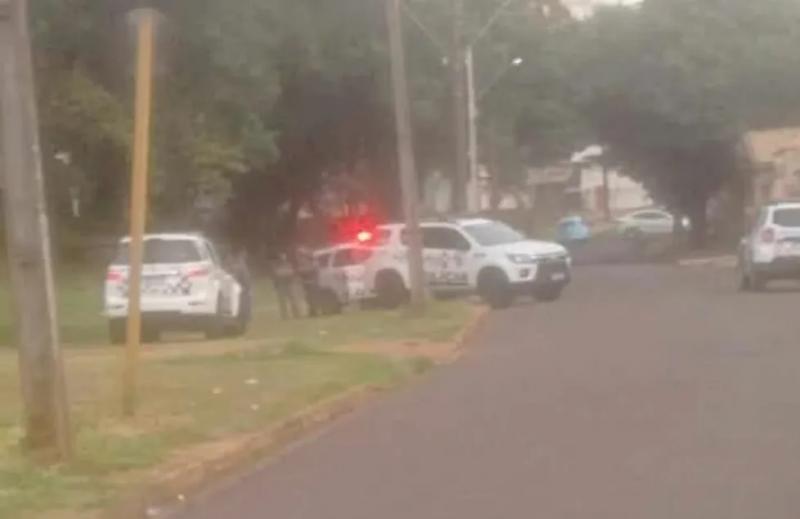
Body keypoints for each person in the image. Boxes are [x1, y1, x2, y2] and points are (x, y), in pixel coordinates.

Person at [270, 252, 300, 320]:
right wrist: (276, 285)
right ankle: (284, 315)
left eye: (284, 258)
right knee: (282, 301)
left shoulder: (288, 264)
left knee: (293, 300)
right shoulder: (276, 266)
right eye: (281, 258)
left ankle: (296, 313)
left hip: (289, 284)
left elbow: (292, 273)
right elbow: (275, 276)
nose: (283, 259)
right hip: (281, 285)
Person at [296, 247, 321, 318]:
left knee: (312, 297)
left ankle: (314, 311)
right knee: (308, 298)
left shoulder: (310, 262)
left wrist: (302, 271)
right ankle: (312, 311)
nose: (299, 256)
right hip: (307, 282)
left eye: (300, 254)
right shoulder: (303, 261)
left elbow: (311, 270)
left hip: (311, 282)